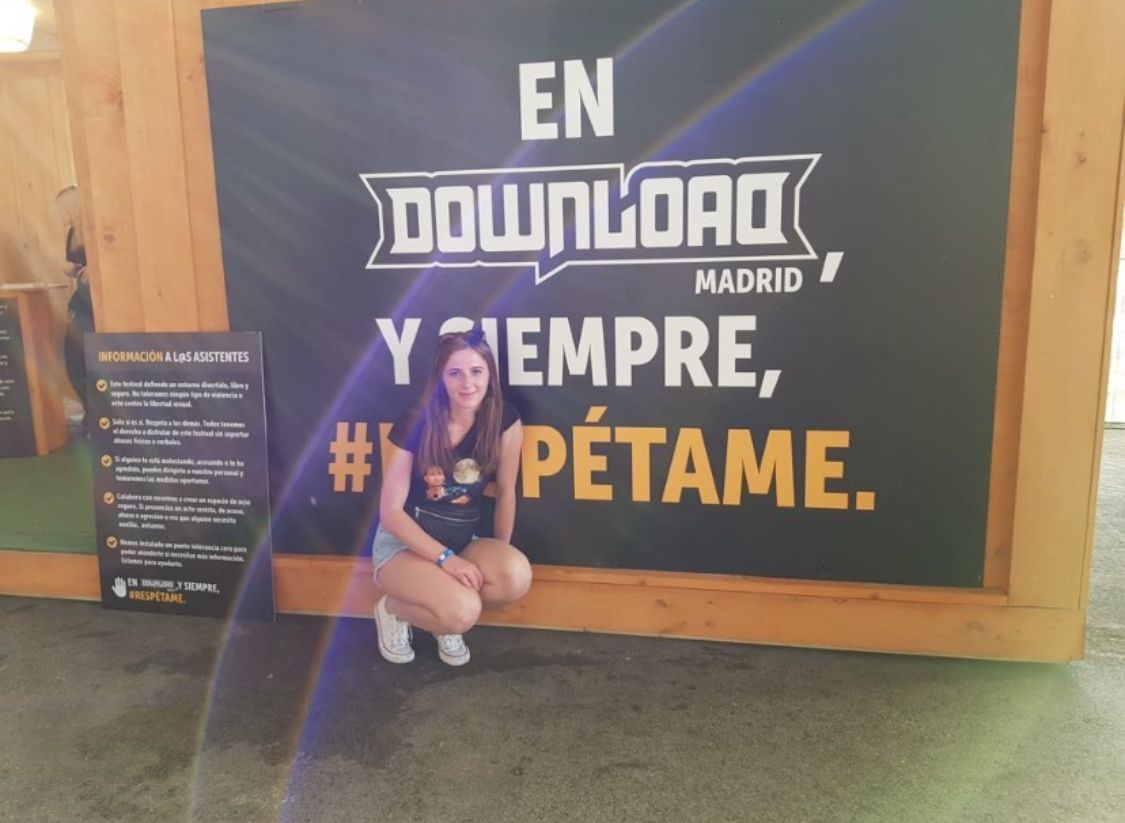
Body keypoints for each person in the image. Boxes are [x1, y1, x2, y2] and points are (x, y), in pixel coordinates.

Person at [372, 326, 532, 665]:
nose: (467, 383)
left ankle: (442, 604)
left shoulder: (505, 420)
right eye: (455, 373)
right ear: (440, 379)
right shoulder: (413, 424)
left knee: (515, 576)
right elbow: (391, 513)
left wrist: (499, 551)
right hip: (404, 545)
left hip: (461, 537)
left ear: (490, 375)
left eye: (476, 371)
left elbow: (506, 493)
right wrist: (447, 560)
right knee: (462, 613)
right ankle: (394, 609)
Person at [55, 186, 94, 425]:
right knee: (73, 357)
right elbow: (73, 265)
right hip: (80, 298)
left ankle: (98, 413)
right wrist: (70, 269)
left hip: (95, 303)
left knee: (90, 357)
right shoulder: (72, 232)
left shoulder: (96, 229)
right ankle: (89, 408)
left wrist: (93, 272)